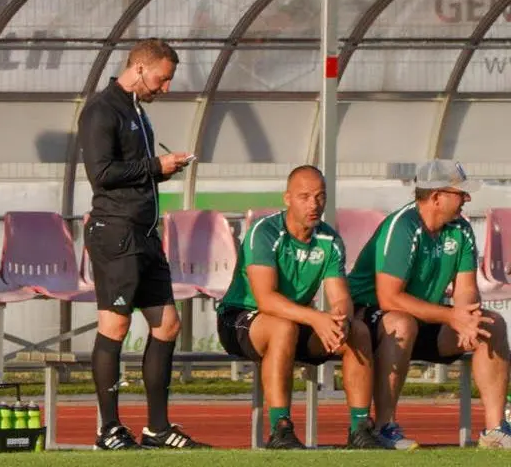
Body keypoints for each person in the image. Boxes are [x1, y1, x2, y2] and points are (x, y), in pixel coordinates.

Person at [77, 39, 202, 450]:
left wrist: (165, 171)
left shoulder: (138, 113)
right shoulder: (102, 109)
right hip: (116, 233)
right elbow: (103, 174)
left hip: (146, 234)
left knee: (167, 325)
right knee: (114, 324)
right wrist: (154, 166)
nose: (164, 88)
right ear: (141, 68)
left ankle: (158, 428)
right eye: (162, 79)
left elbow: (135, 173)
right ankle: (108, 428)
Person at [348, 160, 511, 450]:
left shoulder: (460, 230)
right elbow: (389, 298)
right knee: (401, 321)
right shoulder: (403, 226)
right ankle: (384, 427)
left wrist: (467, 317)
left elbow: (466, 289)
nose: (467, 199)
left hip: (425, 321)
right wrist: (452, 315)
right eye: (460, 193)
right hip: (374, 318)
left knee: (491, 324)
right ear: (436, 197)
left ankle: (495, 430)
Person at [216, 166, 378, 450]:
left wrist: (340, 319)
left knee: (359, 331)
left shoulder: (330, 240)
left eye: (320, 196)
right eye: (304, 197)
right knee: (283, 326)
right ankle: (281, 428)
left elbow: (339, 296)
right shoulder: (264, 233)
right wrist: (316, 318)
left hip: (297, 318)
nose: (314, 204)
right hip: (242, 318)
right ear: (287, 198)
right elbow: (265, 299)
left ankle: (360, 428)